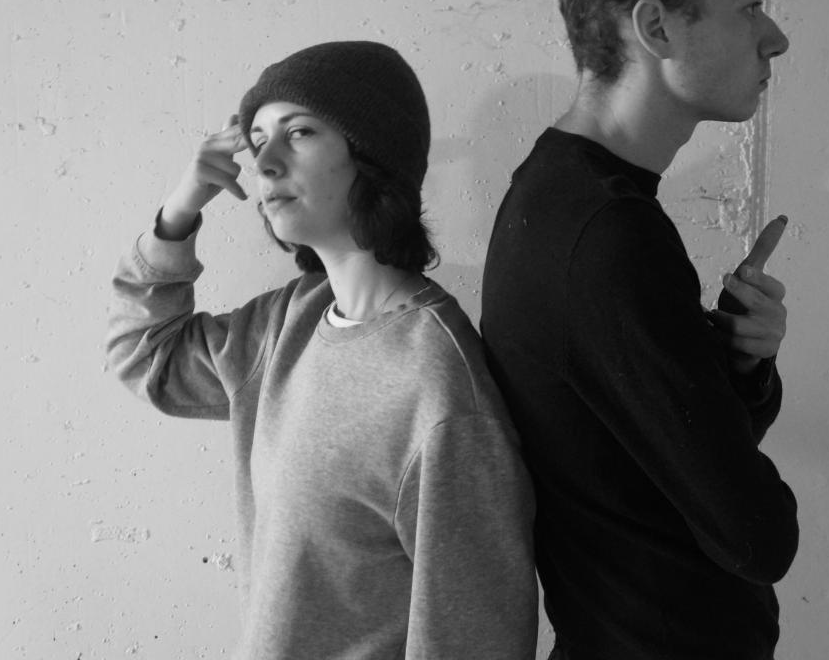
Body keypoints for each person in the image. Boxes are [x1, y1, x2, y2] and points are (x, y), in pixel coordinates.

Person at [107, 41, 537, 659]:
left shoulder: (441, 393)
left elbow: (472, 643)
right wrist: (178, 212)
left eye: (299, 132)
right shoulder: (288, 323)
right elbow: (146, 357)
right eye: (257, 140)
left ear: (373, 156)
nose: (264, 164)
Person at [480, 0, 798, 659]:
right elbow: (757, 538)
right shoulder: (607, 235)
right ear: (655, 27)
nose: (774, 37)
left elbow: (645, 466)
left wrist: (737, 367)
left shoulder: (562, 195)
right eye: (749, 5)